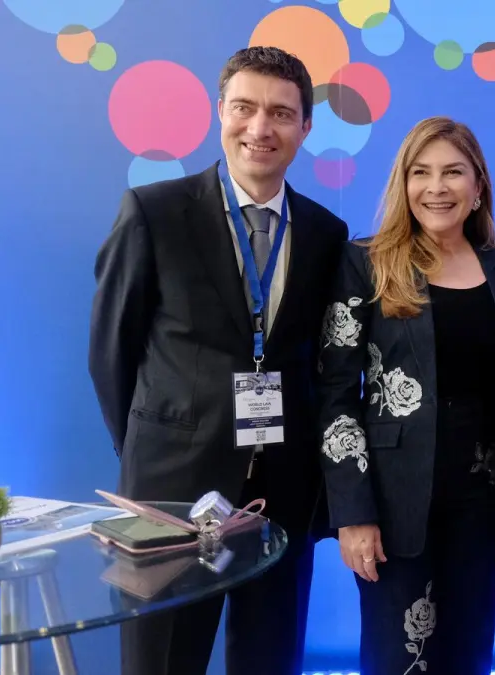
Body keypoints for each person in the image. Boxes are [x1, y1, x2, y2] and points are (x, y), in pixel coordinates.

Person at [88, 46, 348, 675]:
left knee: (269, 658)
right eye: (244, 108)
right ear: (220, 112)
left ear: (305, 127)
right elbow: (111, 351)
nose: (260, 128)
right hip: (170, 493)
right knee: (162, 660)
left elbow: (321, 363)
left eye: (281, 113)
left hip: (283, 491)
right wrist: (153, 444)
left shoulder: (326, 234)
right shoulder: (153, 213)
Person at [316, 116, 495, 675]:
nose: (436, 188)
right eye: (421, 173)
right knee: (398, 657)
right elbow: (336, 393)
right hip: (392, 505)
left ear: (478, 185)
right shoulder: (365, 262)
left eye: (453, 172)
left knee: (467, 654)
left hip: (479, 503)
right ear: (404, 183)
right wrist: (352, 513)